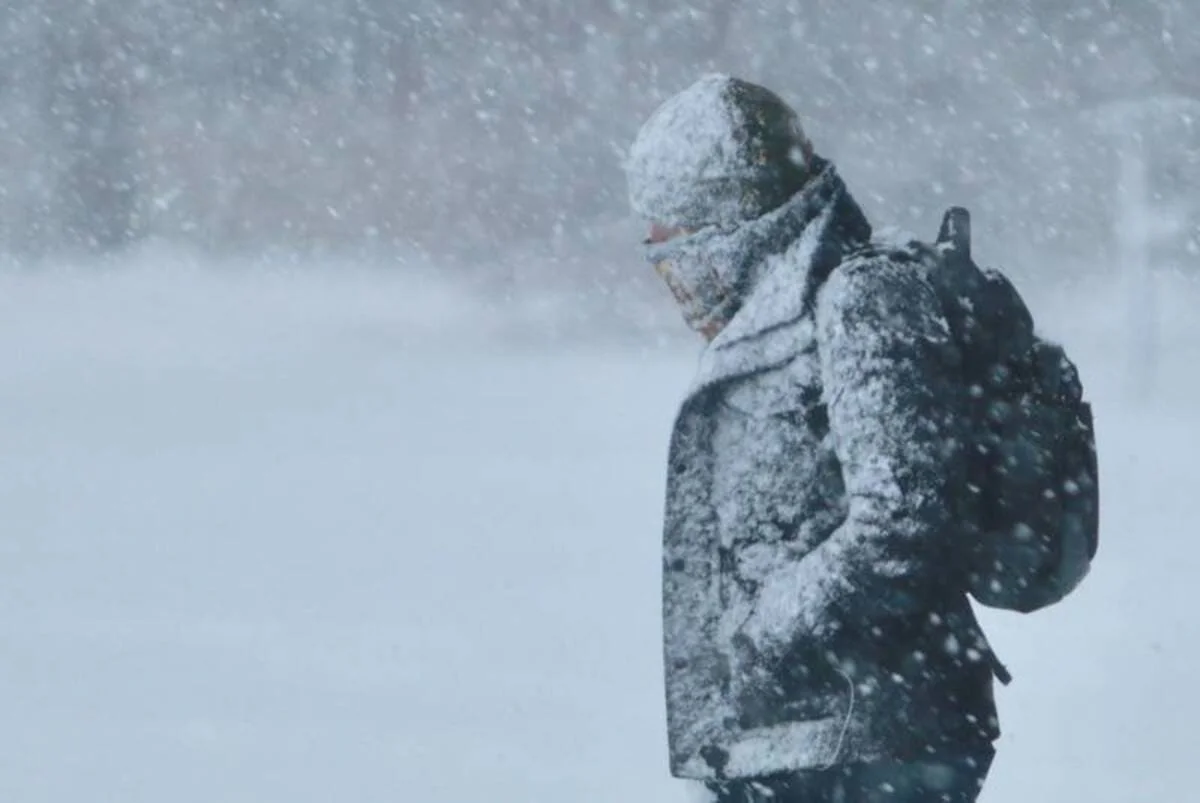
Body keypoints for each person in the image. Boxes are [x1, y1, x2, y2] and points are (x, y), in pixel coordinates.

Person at [624, 75, 1001, 802]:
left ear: (729, 219)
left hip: (873, 737)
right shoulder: (780, 310)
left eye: (672, 238)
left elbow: (901, 517)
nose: (666, 265)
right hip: (804, 737)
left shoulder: (859, 299)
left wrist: (766, 632)